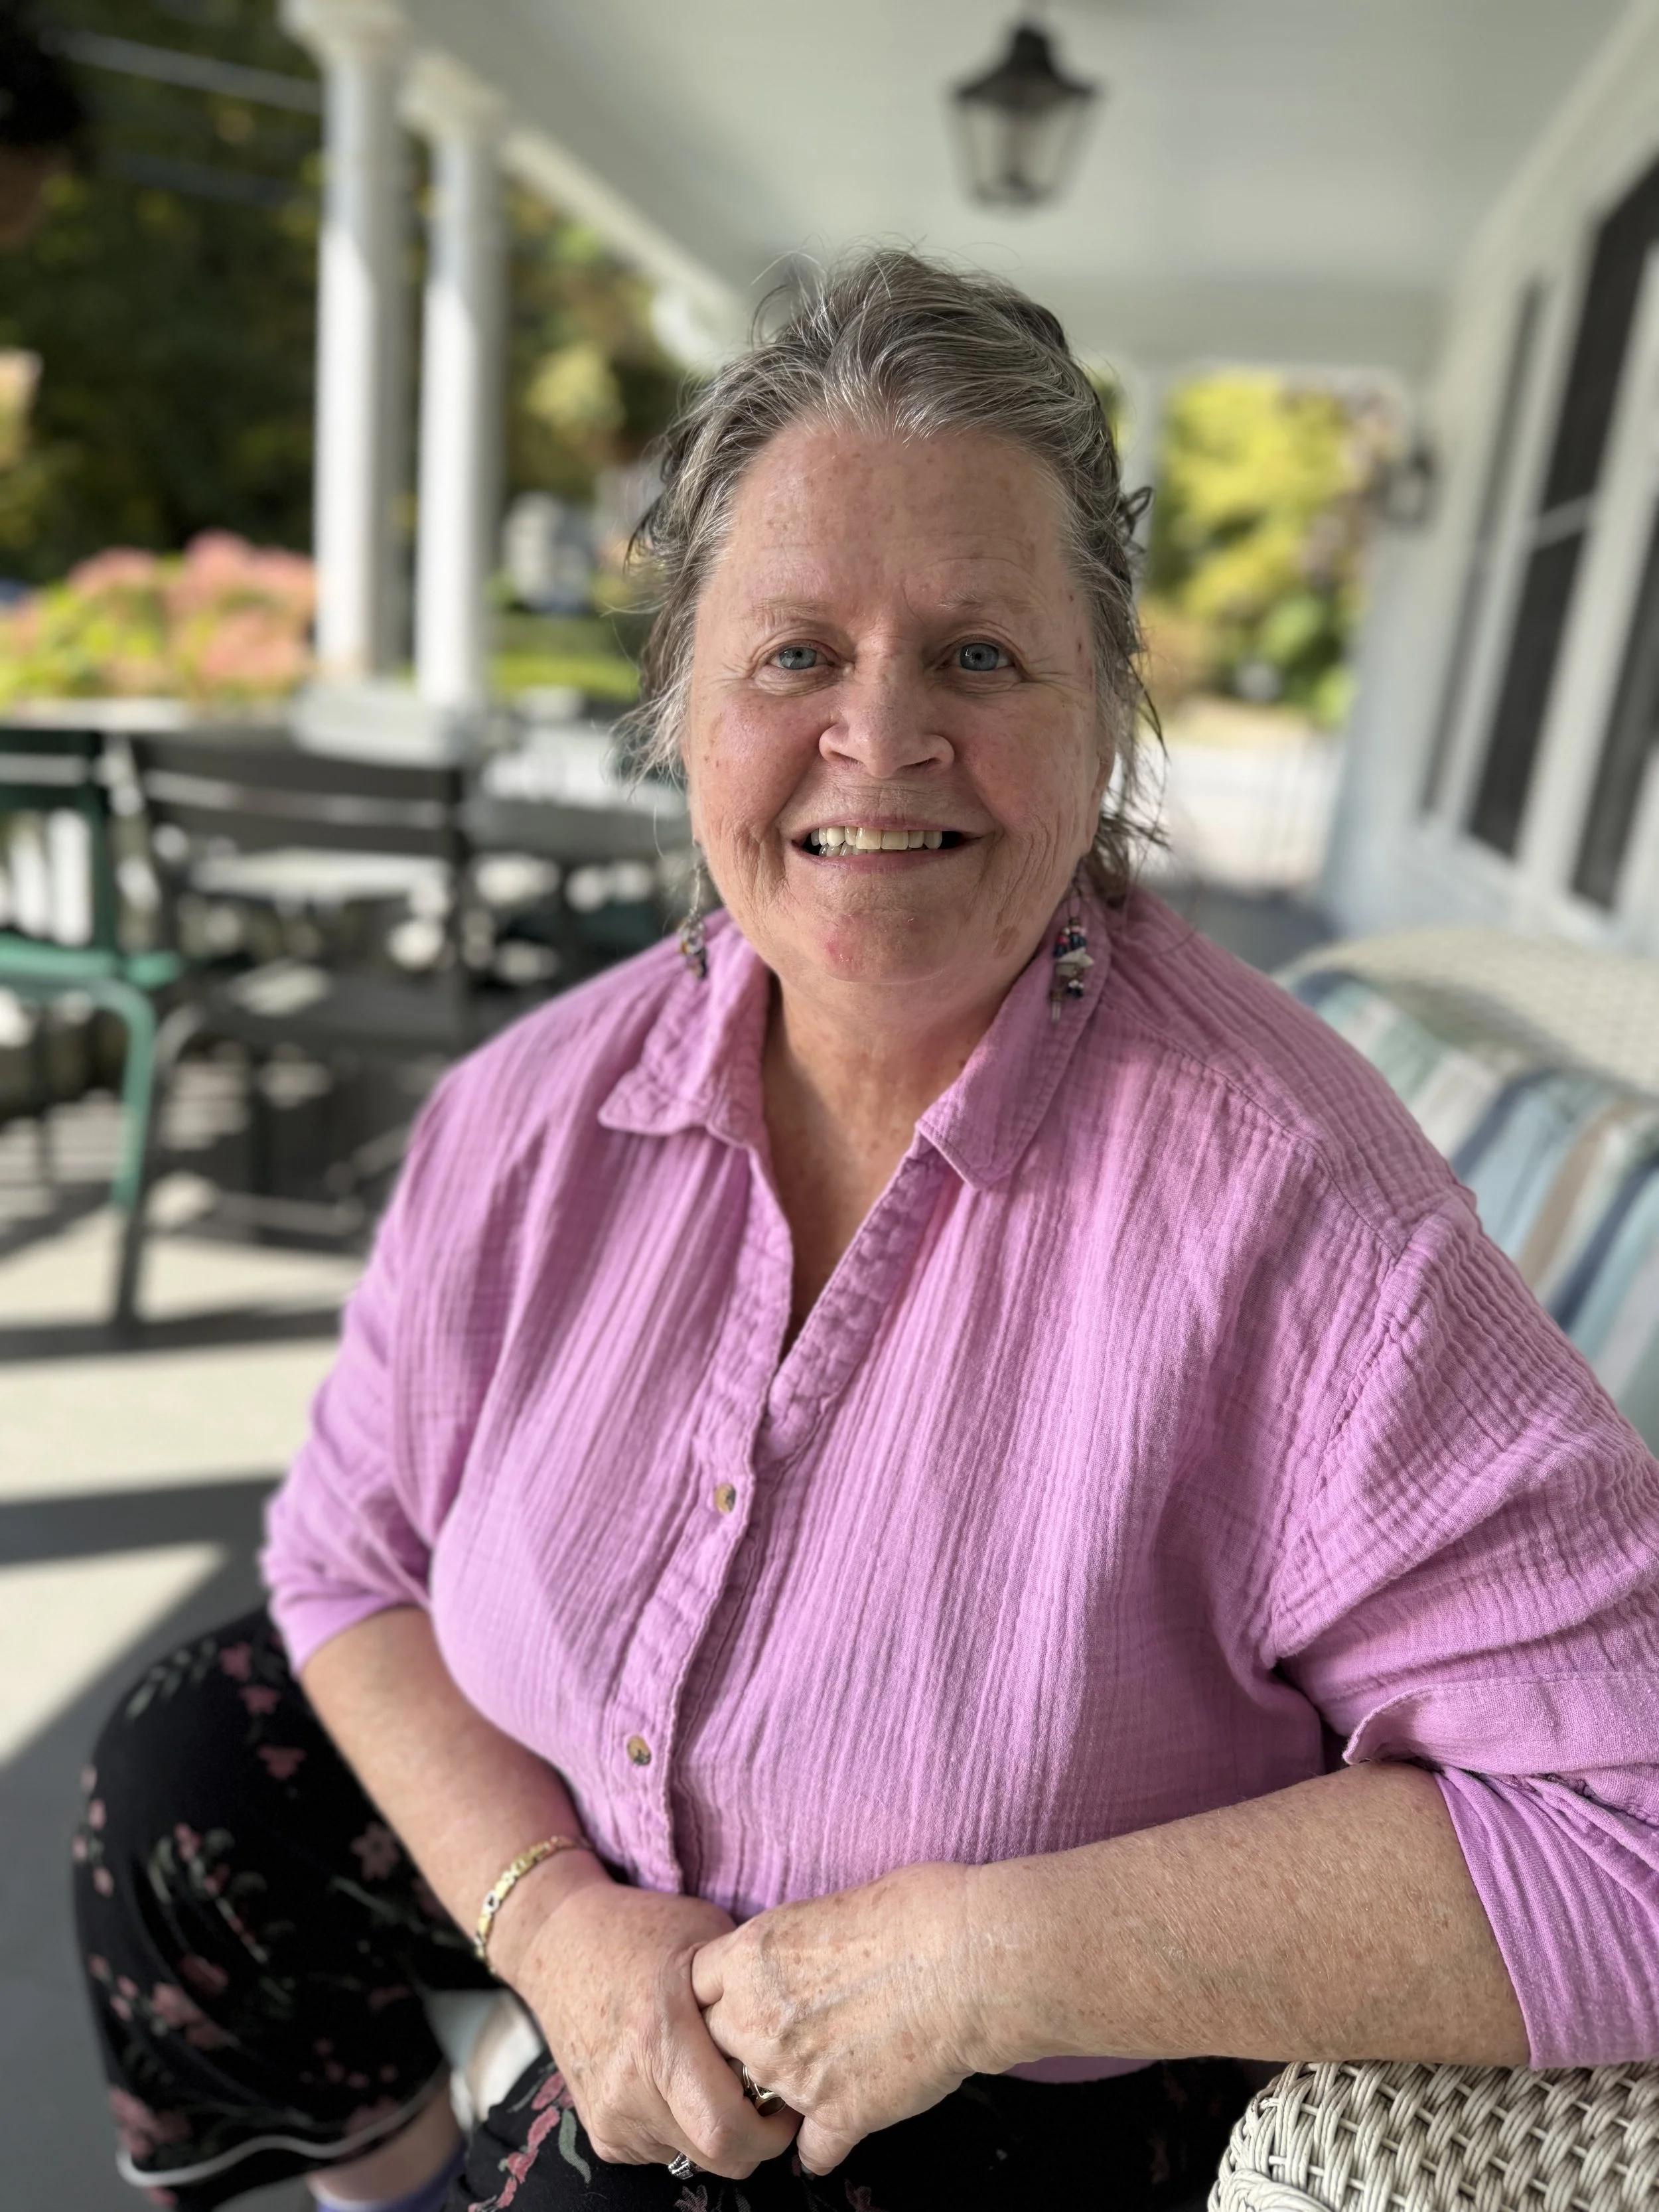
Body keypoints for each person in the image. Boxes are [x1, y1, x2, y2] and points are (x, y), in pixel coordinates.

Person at [76, 252, 1659, 2212]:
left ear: (1108, 722)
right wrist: (558, 1925)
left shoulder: (1288, 1198)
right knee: (182, 1779)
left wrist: (968, 1958)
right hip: (608, 1865)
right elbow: (344, 1551)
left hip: (1009, 2058)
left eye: (979, 657)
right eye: (795, 652)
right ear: (682, 706)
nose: (879, 734)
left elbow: (1633, 1819)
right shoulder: (533, 1109)